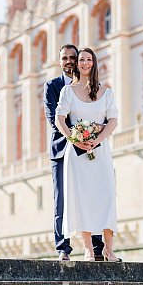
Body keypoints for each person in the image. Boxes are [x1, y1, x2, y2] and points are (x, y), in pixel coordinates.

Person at [55, 47, 121, 262]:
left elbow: (113, 120)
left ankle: (109, 250)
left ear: (93, 63)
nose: (84, 63)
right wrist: (75, 140)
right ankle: (89, 250)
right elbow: (60, 119)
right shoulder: (68, 91)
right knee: (82, 197)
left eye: (88, 59)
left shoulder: (106, 92)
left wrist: (97, 139)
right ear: (77, 64)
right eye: (81, 60)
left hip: (101, 152)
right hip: (77, 154)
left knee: (107, 195)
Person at [44, 44, 105, 261]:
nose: (69, 61)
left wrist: (90, 138)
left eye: (73, 57)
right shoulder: (52, 85)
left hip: (91, 149)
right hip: (62, 150)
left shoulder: (92, 86)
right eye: (65, 58)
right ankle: (63, 249)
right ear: (60, 61)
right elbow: (53, 119)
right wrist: (76, 136)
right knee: (61, 199)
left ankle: (97, 249)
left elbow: (103, 117)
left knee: (93, 196)